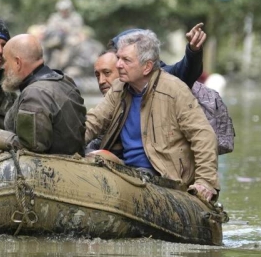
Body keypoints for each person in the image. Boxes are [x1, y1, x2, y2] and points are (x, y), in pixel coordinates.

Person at [84, 29, 219, 203]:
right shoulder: (119, 89)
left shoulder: (174, 90)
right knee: (94, 157)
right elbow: (93, 122)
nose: (118, 65)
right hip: (128, 171)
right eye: (118, 58)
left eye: (125, 60)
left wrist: (205, 182)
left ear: (147, 66)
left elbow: (203, 136)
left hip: (163, 177)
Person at [0, 34, 86, 156]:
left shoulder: (34, 95)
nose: (3, 67)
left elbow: (31, 149)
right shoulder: (64, 81)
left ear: (18, 62)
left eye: (6, 61)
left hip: (52, 168)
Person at [44, 0, 84, 68]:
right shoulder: (54, 17)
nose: (63, 11)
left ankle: (69, 64)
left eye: (65, 9)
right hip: (55, 40)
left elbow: (78, 30)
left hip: (69, 40)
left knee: (73, 43)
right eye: (62, 10)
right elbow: (49, 29)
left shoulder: (75, 17)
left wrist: (68, 30)